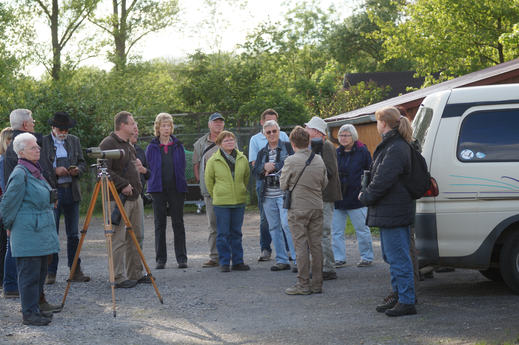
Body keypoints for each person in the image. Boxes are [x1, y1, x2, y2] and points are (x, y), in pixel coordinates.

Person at [359, 106, 417, 317]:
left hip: (394, 211)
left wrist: (364, 197)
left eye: (377, 121)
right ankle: (399, 295)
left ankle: (407, 300)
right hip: (391, 210)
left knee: (398, 257)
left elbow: (382, 180)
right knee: (393, 256)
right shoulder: (393, 145)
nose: (376, 125)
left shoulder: (396, 147)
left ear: (383, 124)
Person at [2, 110, 61, 314]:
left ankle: (36, 307)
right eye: (33, 148)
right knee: (29, 273)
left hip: (38, 226)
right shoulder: (21, 172)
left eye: (37, 147)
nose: (38, 150)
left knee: (39, 270)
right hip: (28, 227)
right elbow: (8, 203)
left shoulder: (33, 169)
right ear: (22, 152)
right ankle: (30, 312)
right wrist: (9, 226)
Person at [99, 111, 151, 288]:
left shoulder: (128, 144)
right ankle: (118, 277)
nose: (135, 126)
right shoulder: (109, 143)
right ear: (123, 125)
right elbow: (103, 169)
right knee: (118, 238)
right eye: (132, 123)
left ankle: (135, 273)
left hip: (135, 197)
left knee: (136, 236)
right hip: (118, 198)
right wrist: (123, 184)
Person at [42, 111, 90, 284]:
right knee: (51, 233)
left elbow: (82, 162)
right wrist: (54, 171)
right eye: (61, 129)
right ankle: (50, 272)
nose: (63, 133)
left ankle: (75, 270)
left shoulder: (74, 141)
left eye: (66, 130)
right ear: (53, 127)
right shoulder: (43, 142)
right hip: (53, 192)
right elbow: (39, 166)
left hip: (72, 190)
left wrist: (78, 170)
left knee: (73, 234)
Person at [280, 126, 328, 295]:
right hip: (316, 206)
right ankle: (317, 283)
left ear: (292, 144)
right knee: (316, 246)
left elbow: (283, 185)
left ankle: (303, 284)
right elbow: (324, 184)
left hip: (298, 208)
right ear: (308, 142)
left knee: (301, 246)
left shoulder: (290, 161)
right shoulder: (319, 159)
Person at [193, 113, 237, 268]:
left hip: (229, 191)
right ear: (209, 125)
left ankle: (231, 256)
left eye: (221, 122)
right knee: (213, 224)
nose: (219, 124)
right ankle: (214, 256)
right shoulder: (200, 143)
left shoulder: (230, 140)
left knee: (230, 224)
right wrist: (202, 182)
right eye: (215, 122)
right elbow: (196, 165)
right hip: (210, 191)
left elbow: (238, 162)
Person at [251, 120, 296, 272]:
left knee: (287, 225)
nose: (271, 134)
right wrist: (263, 166)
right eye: (268, 132)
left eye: (274, 131)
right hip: (267, 195)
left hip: (285, 193)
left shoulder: (288, 147)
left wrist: (275, 166)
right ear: (264, 134)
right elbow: (255, 173)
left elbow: (296, 163)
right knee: (274, 227)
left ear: (279, 131)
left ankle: (297, 260)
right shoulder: (261, 152)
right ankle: (282, 260)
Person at [145, 113, 188, 269]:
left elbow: (182, 166)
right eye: (163, 125)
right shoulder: (151, 147)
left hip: (176, 189)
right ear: (158, 127)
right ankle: (160, 259)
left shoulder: (178, 145)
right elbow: (147, 168)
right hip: (157, 189)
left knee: (178, 223)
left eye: (168, 125)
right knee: (159, 224)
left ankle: (182, 258)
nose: (166, 128)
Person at [205, 131, 250, 273]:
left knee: (236, 233)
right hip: (222, 203)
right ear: (219, 143)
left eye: (232, 139)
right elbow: (209, 181)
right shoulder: (213, 160)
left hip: (239, 201)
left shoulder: (242, 158)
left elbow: (246, 177)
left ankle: (238, 261)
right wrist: (217, 195)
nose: (230, 142)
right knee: (223, 234)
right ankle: (224, 262)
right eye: (226, 140)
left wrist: (240, 189)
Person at [331, 124, 374, 268]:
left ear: (353, 136)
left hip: (356, 196)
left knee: (362, 229)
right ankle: (339, 258)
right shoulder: (336, 152)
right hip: (338, 197)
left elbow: (370, 173)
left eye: (346, 135)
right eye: (341, 135)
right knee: (336, 231)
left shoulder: (363, 152)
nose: (343, 138)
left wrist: (365, 192)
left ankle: (366, 257)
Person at [304, 116, 341, 281]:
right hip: (318, 195)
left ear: (316, 131)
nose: (305, 131)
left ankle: (328, 268)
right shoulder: (318, 145)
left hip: (324, 196)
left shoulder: (326, 145)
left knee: (323, 232)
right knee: (318, 232)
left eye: (308, 128)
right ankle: (324, 266)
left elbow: (329, 170)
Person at [130, 122, 151, 249]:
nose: (137, 133)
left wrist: (143, 170)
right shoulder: (118, 150)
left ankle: (137, 267)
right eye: (135, 130)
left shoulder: (139, 150)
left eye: (137, 130)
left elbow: (148, 173)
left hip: (139, 197)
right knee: (125, 235)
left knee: (139, 235)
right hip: (123, 196)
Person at [0, 127, 13, 289]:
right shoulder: (4, 160)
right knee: (5, 244)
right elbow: (5, 188)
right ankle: (4, 278)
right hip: (3, 206)